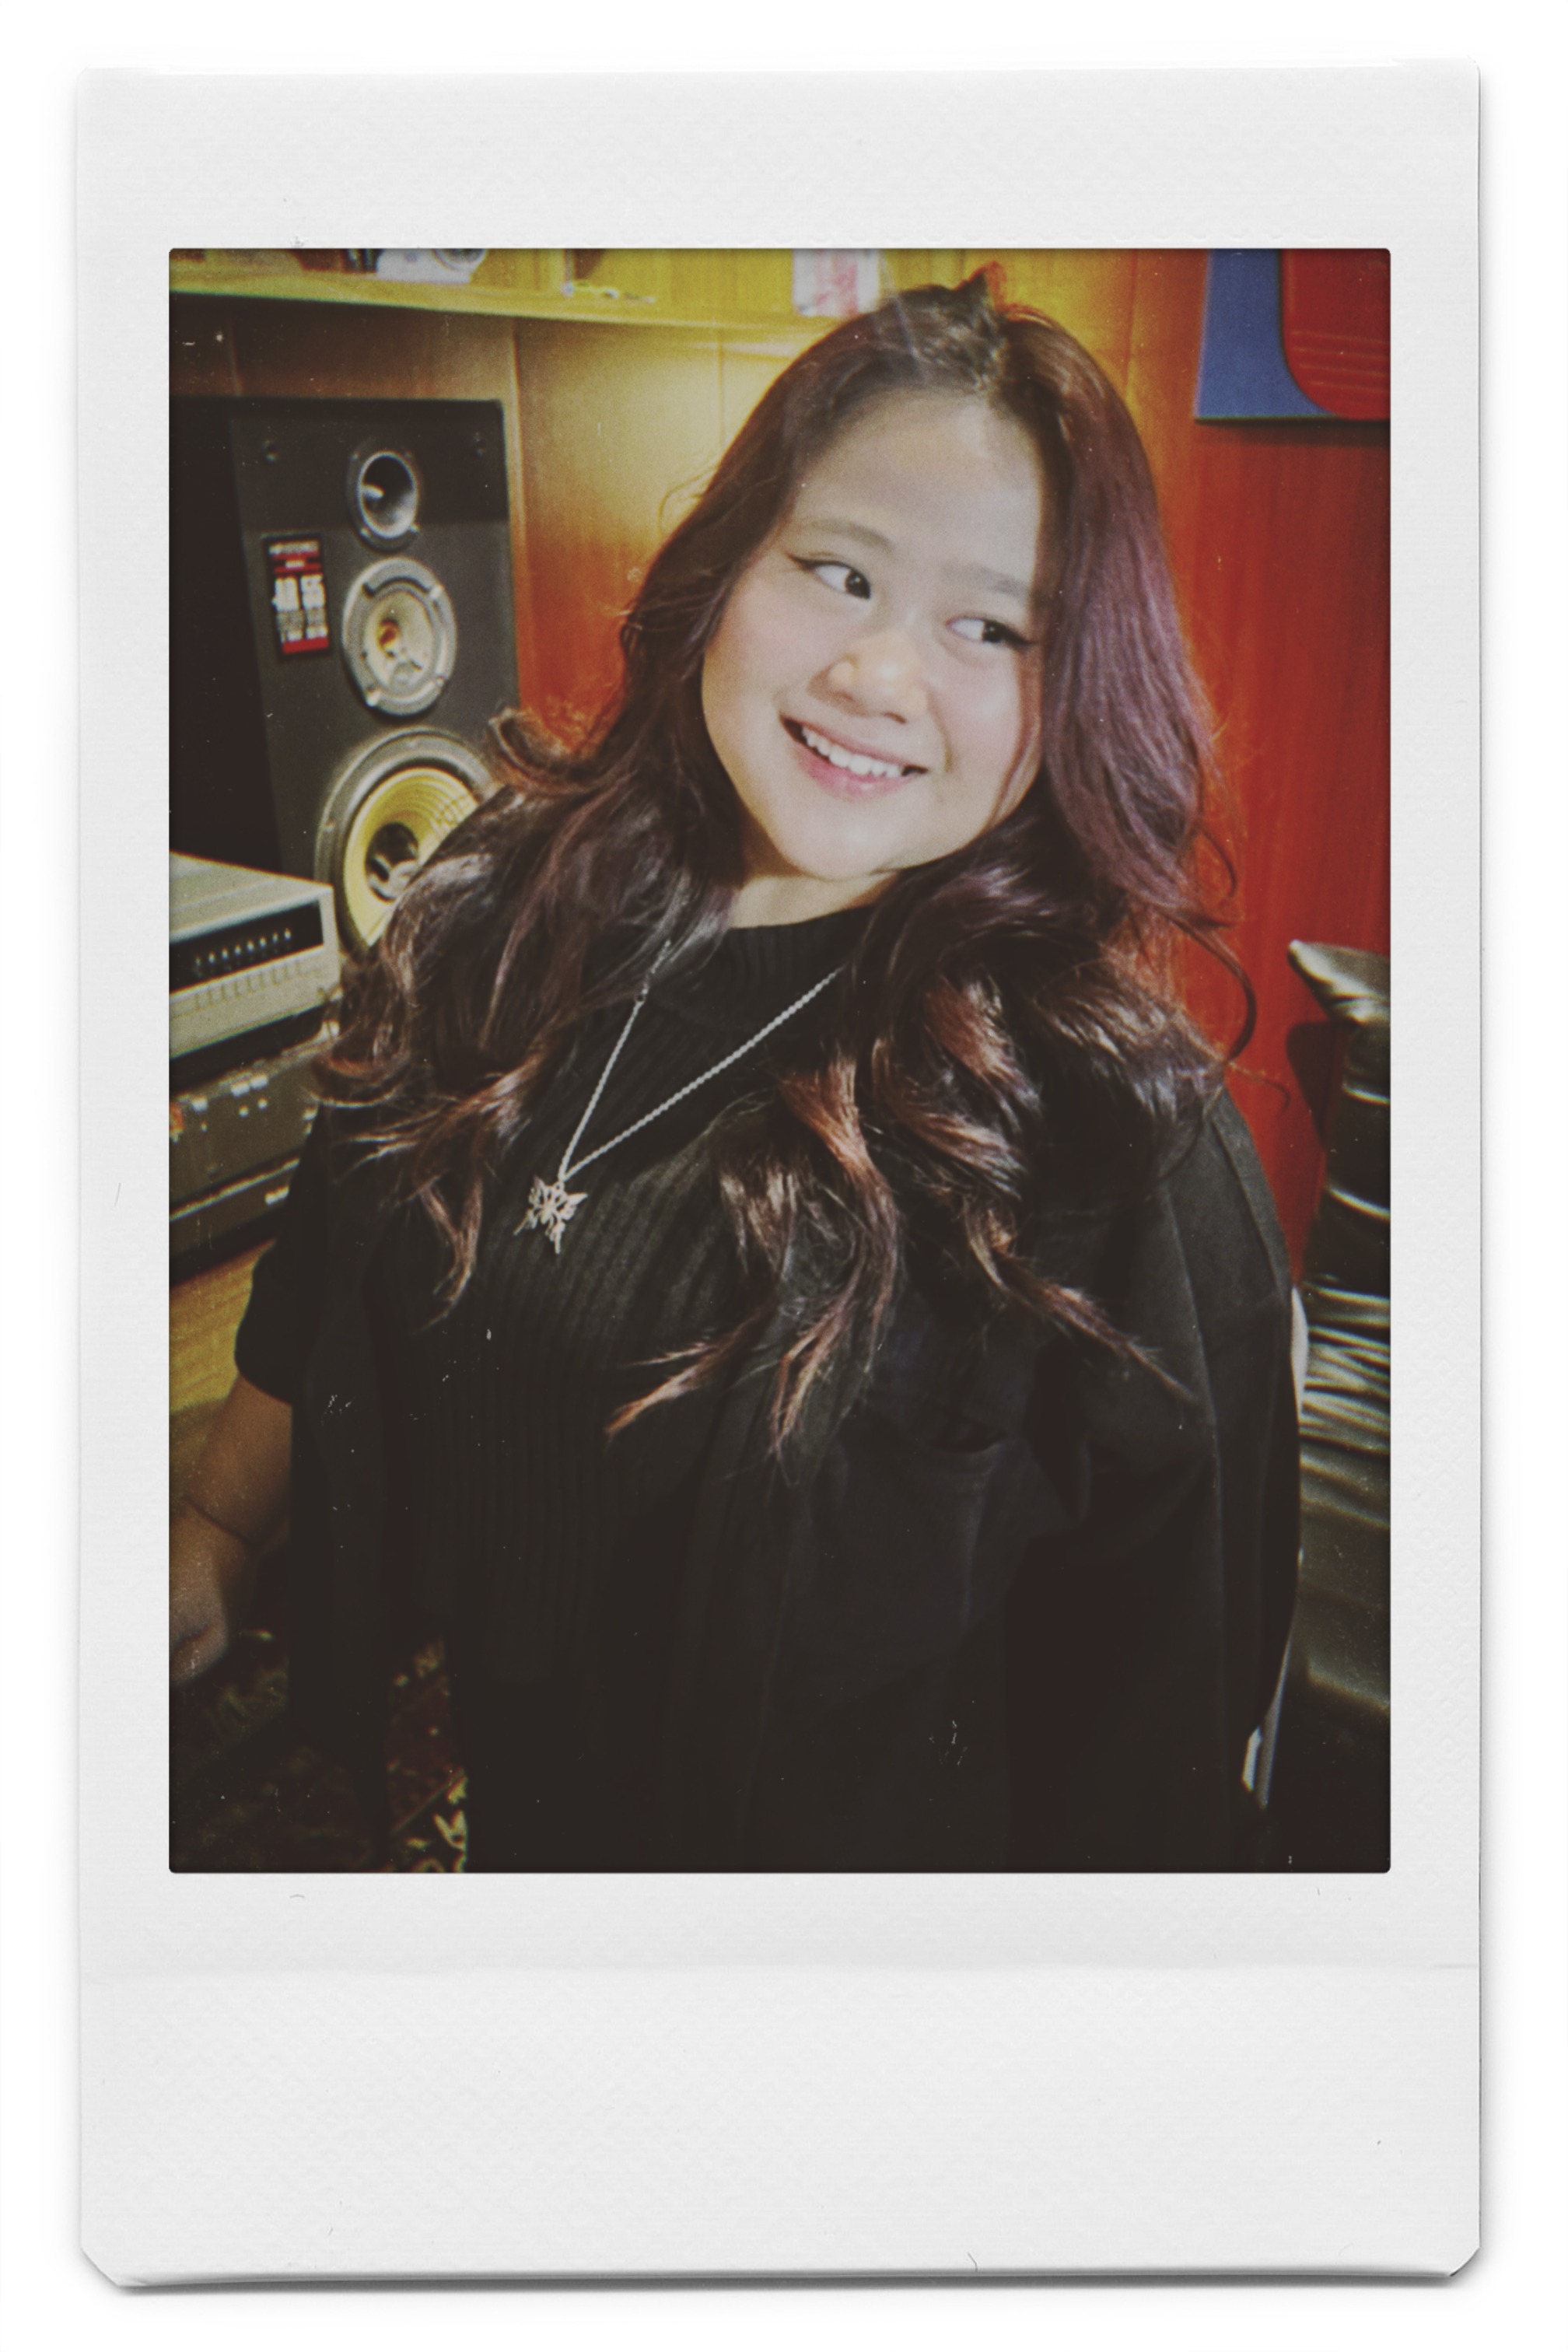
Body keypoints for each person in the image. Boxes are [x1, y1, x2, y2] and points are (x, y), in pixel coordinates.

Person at [169, 273, 1298, 1873]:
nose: (883, 675)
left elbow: (1163, 1721)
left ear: (1075, 689)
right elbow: (331, 1252)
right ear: (729, 565)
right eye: (841, 572)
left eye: (990, 627)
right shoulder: (497, 899)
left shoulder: (1113, 1138)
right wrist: (221, 1527)